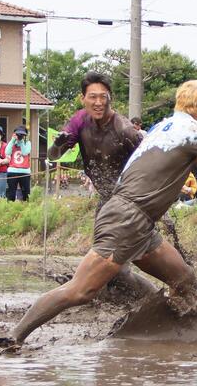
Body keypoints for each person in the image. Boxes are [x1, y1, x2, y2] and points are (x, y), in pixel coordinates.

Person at [0, 80, 197, 348]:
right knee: (81, 290)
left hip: (137, 221)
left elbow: (187, 157)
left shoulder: (165, 126)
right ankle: (14, 335)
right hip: (127, 218)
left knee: (184, 279)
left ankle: (183, 331)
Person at [48, 72, 155, 297]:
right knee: (108, 266)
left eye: (103, 97)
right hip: (107, 201)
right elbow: (54, 155)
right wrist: (56, 146)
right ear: (82, 99)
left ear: (110, 98)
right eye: (92, 97)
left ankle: (154, 300)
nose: (98, 103)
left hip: (131, 203)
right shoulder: (79, 121)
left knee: (111, 265)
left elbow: (151, 162)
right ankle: (126, 299)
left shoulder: (124, 129)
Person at [6, 126, 32, 202]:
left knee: (26, 192)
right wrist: (12, 140)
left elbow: (25, 152)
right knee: (11, 193)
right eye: (18, 134)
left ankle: (26, 208)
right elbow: (7, 152)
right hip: (12, 170)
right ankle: (10, 208)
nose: (20, 136)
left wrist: (21, 142)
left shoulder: (27, 143)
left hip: (24, 171)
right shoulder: (12, 142)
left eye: (22, 135)